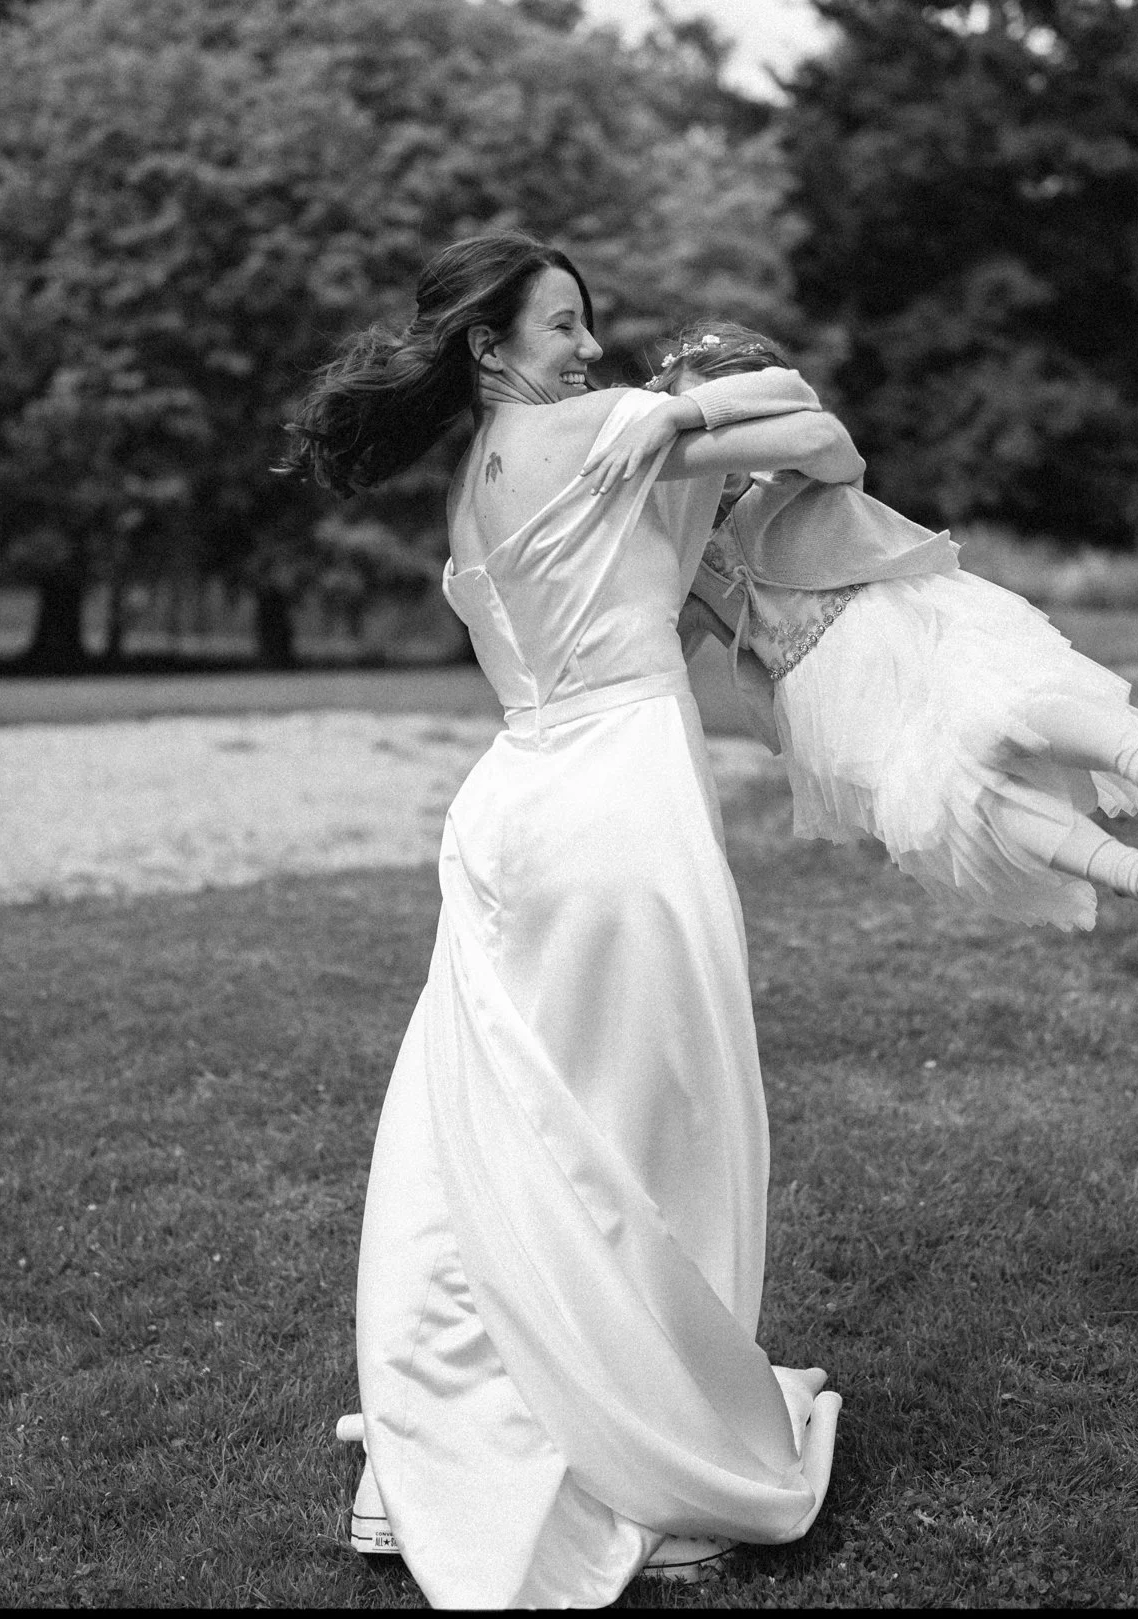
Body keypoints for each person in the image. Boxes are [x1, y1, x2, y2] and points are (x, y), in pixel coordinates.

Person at [278, 235, 859, 1607]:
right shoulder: (609, 430)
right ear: (492, 350)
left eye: (591, 328)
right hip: (618, 818)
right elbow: (827, 438)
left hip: (506, 817)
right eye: (562, 325)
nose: (590, 348)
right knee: (649, 1128)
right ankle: (652, 1464)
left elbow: (660, 582)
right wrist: (687, 405)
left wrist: (674, 420)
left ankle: (455, 1435)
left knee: (505, 1137)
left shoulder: (476, 491)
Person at [578, 320, 1138, 932]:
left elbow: (806, 423)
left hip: (895, 623)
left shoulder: (802, 465)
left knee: (1008, 707)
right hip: (830, 697)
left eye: (725, 418)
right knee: (961, 797)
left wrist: (674, 422)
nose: (712, 451)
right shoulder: (681, 549)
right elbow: (661, 638)